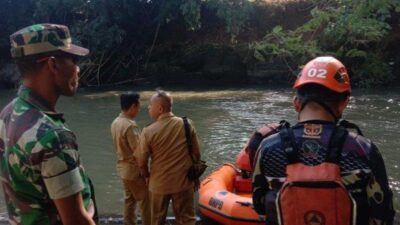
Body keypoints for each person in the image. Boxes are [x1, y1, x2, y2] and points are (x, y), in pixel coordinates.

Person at [252, 56, 395, 225]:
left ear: (296, 103)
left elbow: (259, 205)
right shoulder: (363, 149)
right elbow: (383, 214)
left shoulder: (268, 147)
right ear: (344, 103)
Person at [0, 24, 97, 225]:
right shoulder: (53, 136)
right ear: (53, 65)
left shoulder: (8, 113)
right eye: (73, 59)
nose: (77, 68)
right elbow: (76, 221)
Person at [136, 89, 201, 225]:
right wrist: (196, 178)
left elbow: (141, 161)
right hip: (183, 181)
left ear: (159, 108)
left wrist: (147, 176)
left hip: (159, 183)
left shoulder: (148, 131)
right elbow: (196, 154)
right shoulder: (186, 124)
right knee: (187, 220)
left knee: (157, 220)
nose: (148, 108)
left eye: (150, 105)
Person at [110, 92, 150, 225]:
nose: (139, 109)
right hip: (133, 171)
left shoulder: (116, 122)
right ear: (133, 106)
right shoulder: (130, 126)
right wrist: (145, 172)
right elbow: (138, 152)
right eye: (138, 106)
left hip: (123, 169)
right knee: (146, 203)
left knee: (129, 201)